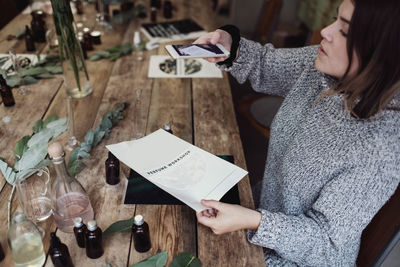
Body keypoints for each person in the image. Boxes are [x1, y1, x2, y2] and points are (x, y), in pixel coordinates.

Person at [194, 0, 400, 266]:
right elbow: (266, 64)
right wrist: (229, 46)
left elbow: (326, 243)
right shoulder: (324, 67)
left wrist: (253, 221)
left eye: (345, 31)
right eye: (336, 19)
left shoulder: (382, 146)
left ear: (381, 54)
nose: (326, 31)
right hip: (259, 214)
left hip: (297, 258)